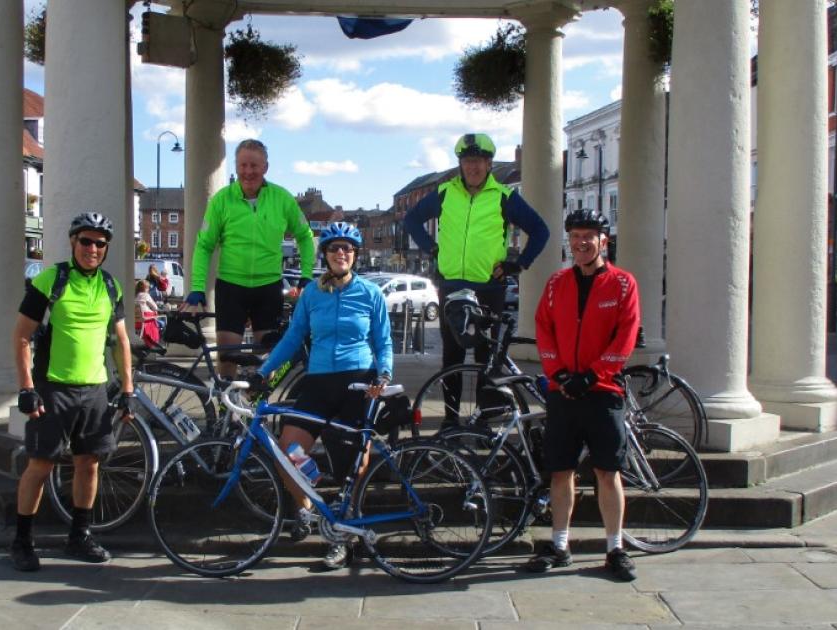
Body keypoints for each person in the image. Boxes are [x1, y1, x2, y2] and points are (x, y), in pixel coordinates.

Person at [252, 222, 392, 571]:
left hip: (356, 382)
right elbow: (293, 337)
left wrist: (384, 373)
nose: (340, 253)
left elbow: (383, 341)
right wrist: (264, 369)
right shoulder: (313, 294)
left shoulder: (370, 293)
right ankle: (308, 505)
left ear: (355, 255)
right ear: (325, 255)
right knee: (288, 451)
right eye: (333, 249)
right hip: (317, 382)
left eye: (346, 248)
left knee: (350, 467)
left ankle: (342, 537)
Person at [10, 212, 136, 572]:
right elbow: (21, 336)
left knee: (89, 463)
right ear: (72, 241)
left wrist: (127, 389)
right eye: (86, 241)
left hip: (94, 388)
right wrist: (26, 388)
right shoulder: (52, 280)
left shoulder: (111, 286)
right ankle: (22, 540)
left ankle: (79, 536)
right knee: (40, 464)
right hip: (53, 387)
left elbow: (121, 341)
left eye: (100, 243)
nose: (92, 248)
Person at [403, 133, 550, 430]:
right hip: (452, 286)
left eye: (479, 161)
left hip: (489, 288)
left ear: (489, 163)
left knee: (487, 358)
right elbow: (411, 220)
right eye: (468, 161)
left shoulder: (504, 196)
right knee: (452, 357)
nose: (473, 167)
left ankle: (485, 420)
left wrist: (518, 264)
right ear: (460, 164)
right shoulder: (445, 192)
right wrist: (432, 248)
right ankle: (450, 419)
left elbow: (540, 230)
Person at [525, 208, 640, 582]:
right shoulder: (558, 283)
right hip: (563, 393)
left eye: (589, 236)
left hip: (602, 392)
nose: (581, 243)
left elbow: (624, 338)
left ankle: (615, 549)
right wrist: (556, 372)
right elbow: (543, 328)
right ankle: (560, 546)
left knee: (608, 473)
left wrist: (592, 376)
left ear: (603, 240)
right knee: (561, 472)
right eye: (575, 236)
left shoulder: (623, 284)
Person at [185, 139, 316, 376]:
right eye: (243, 165)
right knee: (227, 356)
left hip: (268, 287)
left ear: (265, 167)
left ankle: (255, 409)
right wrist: (197, 288)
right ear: (236, 166)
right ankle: (227, 409)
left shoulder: (282, 198)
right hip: (231, 286)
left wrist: (306, 276)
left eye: (254, 166)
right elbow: (204, 246)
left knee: (269, 358)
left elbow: (305, 237)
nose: (248, 172)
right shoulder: (222, 200)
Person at [135, 278, 162, 347]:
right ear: (146, 288)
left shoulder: (135, 296)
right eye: (148, 288)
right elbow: (155, 307)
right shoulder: (146, 295)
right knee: (157, 316)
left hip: (137, 321)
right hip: (145, 319)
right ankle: (154, 340)